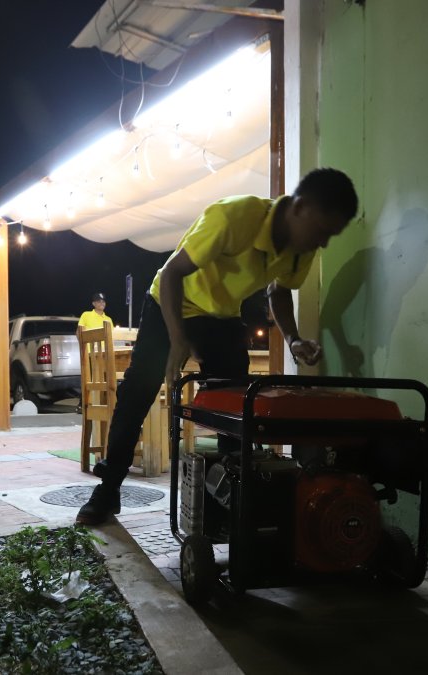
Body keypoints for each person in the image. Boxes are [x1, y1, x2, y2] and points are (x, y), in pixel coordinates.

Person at [76, 167, 359, 525]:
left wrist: (293, 338)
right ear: (299, 208)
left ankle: (234, 499)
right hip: (171, 301)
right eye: (322, 231)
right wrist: (178, 339)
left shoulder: (301, 250)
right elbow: (173, 273)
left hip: (222, 317)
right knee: (139, 389)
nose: (323, 243)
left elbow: (279, 290)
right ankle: (108, 491)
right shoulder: (232, 216)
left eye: (330, 237)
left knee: (237, 404)